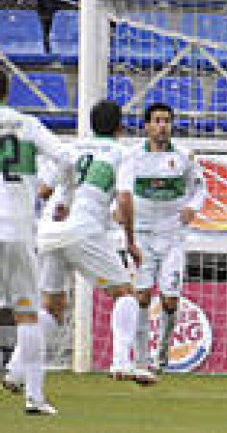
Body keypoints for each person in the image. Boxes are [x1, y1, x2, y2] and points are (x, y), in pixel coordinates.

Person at [34, 101, 152, 385]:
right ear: (120, 127)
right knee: (124, 293)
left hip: (50, 229)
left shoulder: (70, 148)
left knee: (52, 307)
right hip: (83, 229)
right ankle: (121, 361)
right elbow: (125, 198)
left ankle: (16, 370)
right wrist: (131, 241)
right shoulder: (122, 153)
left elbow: (44, 190)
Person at [0, 71, 70, 416]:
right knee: (27, 315)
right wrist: (51, 188)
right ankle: (35, 398)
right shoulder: (27, 125)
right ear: (7, 89)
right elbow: (67, 158)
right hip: (18, 230)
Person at [119, 102, 207, 374]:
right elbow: (121, 190)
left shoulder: (184, 157)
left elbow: (200, 188)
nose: (162, 126)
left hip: (172, 236)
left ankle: (163, 353)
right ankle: (141, 359)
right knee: (142, 297)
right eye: (157, 121)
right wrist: (115, 211)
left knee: (170, 300)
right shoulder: (133, 157)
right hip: (142, 235)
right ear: (146, 126)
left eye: (166, 121)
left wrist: (193, 207)